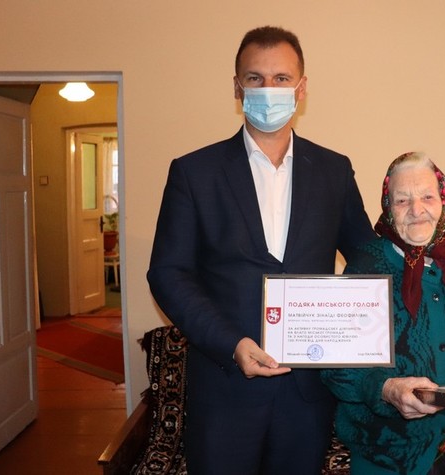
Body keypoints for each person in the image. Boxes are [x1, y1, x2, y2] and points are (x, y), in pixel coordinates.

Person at [147, 26, 376, 474]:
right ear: (237, 87)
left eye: (281, 78)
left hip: (307, 394)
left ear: (301, 88)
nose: (268, 89)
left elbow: (368, 259)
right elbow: (168, 273)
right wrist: (231, 343)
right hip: (224, 389)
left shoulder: (334, 170)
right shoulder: (194, 172)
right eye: (255, 78)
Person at [321, 152, 445, 475]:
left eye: (427, 197)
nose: (416, 209)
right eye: (402, 200)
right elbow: (337, 366)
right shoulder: (366, 266)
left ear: (444, 201)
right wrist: (386, 389)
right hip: (390, 455)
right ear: (388, 207)